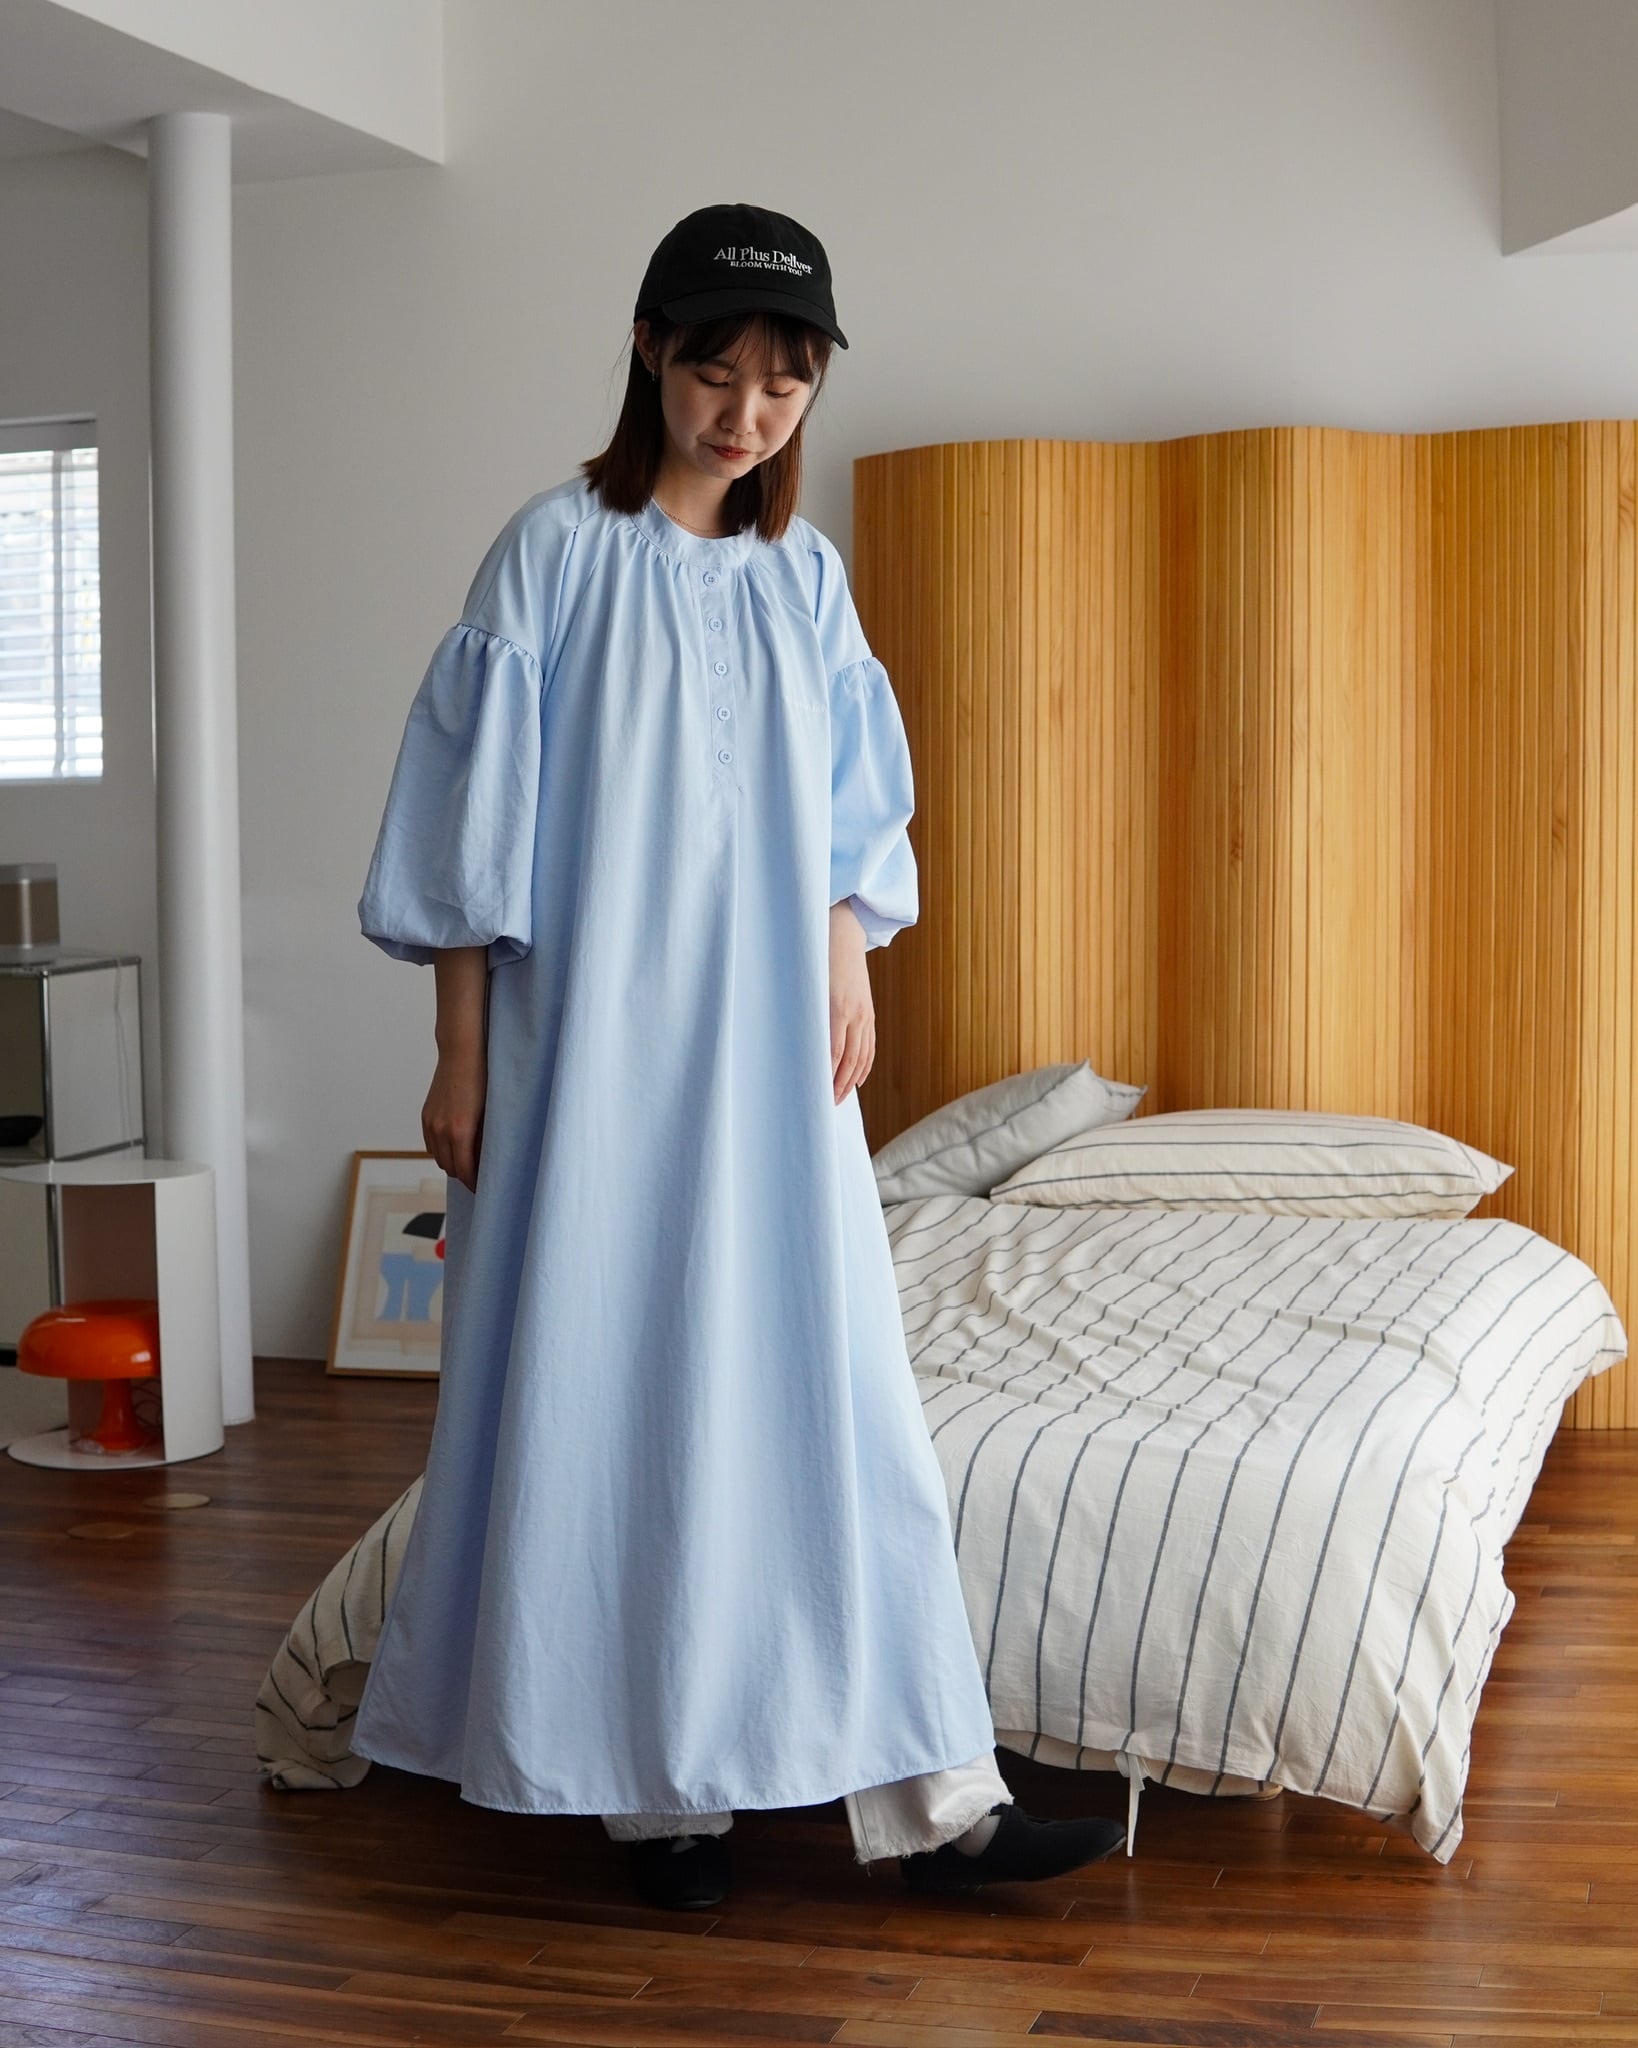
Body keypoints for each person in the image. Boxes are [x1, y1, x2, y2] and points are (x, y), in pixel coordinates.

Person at [351, 202, 1125, 1911]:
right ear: (648, 352)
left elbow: (851, 812)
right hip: (583, 1054)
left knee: (832, 1392)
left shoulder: (804, 574)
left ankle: (944, 1802)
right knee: (606, 1380)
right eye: (717, 373)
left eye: (785, 386)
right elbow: (469, 835)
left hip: (773, 1053)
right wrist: (458, 1055)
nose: (748, 414)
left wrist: (847, 959)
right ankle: (658, 1805)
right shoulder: (550, 554)